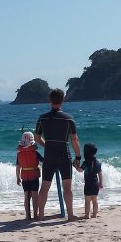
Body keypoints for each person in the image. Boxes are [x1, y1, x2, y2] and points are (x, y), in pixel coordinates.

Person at [35, 88, 81, 221]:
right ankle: (70, 215)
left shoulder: (42, 118)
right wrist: (78, 156)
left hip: (49, 154)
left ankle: (41, 215)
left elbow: (37, 138)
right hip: (63, 154)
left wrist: (47, 145)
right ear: (63, 101)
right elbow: (74, 140)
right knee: (67, 187)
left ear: (50, 100)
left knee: (45, 186)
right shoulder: (68, 119)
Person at [15, 131, 42, 220]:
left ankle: (27, 216)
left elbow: (18, 167)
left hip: (24, 176)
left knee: (26, 196)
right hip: (34, 175)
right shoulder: (35, 153)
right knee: (35, 195)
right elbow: (44, 161)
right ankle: (35, 214)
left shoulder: (19, 154)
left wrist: (17, 177)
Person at [74, 142, 103, 218]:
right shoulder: (98, 163)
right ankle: (94, 214)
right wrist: (101, 182)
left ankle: (87, 215)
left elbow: (80, 170)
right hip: (95, 183)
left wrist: (76, 166)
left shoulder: (86, 162)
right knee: (94, 200)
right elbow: (100, 173)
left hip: (88, 183)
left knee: (87, 201)